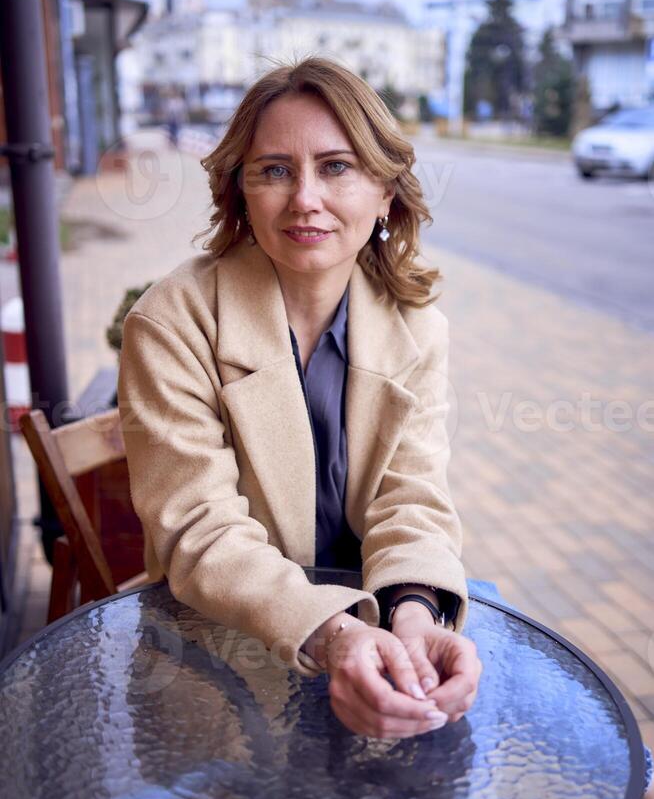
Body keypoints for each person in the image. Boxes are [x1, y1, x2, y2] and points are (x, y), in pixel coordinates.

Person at [118, 55, 481, 741]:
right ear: (241, 193)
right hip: (222, 654)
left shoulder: (417, 330)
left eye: (337, 167)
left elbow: (413, 498)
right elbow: (200, 531)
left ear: (385, 193)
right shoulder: (173, 321)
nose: (305, 198)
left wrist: (413, 615)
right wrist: (337, 636)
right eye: (274, 170)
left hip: (375, 636)